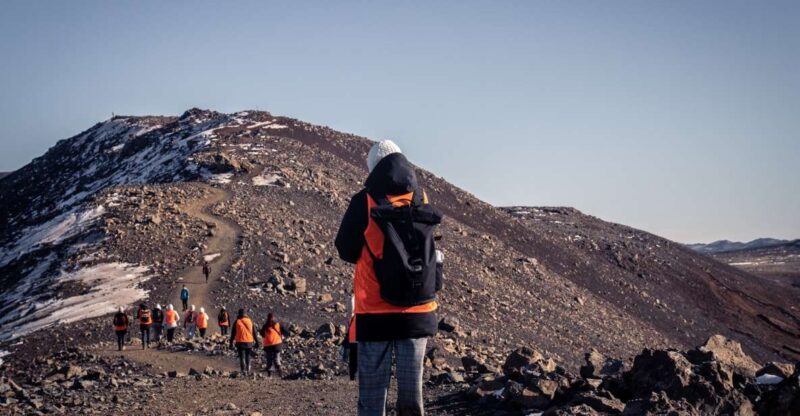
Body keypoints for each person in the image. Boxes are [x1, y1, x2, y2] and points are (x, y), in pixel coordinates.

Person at [335, 140, 443, 416]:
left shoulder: (365, 201)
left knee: (372, 398)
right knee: (411, 397)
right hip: (417, 311)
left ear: (373, 168)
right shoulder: (420, 197)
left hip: (374, 313)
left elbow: (345, 250)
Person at [230, 308, 258, 375]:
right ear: (245, 314)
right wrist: (257, 342)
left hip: (240, 342)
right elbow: (254, 332)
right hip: (249, 341)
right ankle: (248, 370)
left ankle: (243, 370)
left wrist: (231, 343)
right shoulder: (250, 321)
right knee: (248, 355)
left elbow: (233, 333)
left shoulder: (237, 321)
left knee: (242, 356)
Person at [260, 312, 283, 378]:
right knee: (277, 359)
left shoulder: (265, 326)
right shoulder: (278, 324)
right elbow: (284, 330)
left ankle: (269, 375)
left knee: (269, 359)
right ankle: (280, 373)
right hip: (277, 343)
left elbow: (262, 333)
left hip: (268, 344)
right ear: (274, 317)